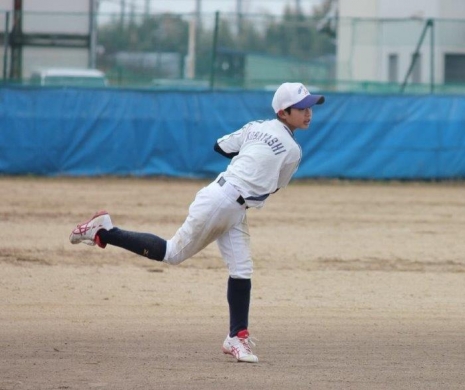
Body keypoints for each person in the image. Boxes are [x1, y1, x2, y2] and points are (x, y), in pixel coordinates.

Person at [69, 82, 325, 363]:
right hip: (221, 203)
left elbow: (221, 146)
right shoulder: (292, 150)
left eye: (310, 106)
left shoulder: (255, 127)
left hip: (233, 205)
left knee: (242, 270)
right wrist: (254, 161)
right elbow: (275, 186)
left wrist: (251, 153)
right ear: (283, 112)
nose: (308, 113)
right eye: (301, 108)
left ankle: (236, 338)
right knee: (172, 253)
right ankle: (105, 231)